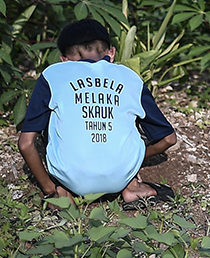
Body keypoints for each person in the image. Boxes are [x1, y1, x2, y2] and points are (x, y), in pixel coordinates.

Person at [18, 18, 177, 206]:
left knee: (54, 117)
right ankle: (132, 187)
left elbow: (26, 144)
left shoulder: (53, 75)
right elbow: (169, 139)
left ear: (64, 59)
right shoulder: (130, 78)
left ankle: (61, 193)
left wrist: (49, 189)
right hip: (120, 177)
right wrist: (131, 161)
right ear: (111, 53)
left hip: (71, 178)